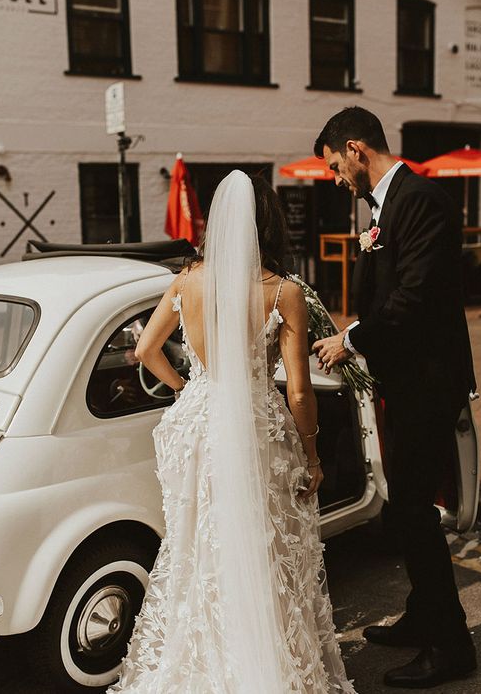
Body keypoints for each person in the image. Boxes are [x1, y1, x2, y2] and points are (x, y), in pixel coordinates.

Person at [109, 171, 356, 693]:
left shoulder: (185, 281)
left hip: (198, 422)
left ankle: (205, 662)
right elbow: (298, 392)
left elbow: (146, 352)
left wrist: (187, 388)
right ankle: (267, 663)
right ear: (270, 228)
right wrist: (313, 457)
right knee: (267, 552)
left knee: (202, 547)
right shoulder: (282, 292)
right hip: (257, 426)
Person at [312, 107, 477, 689]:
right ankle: (423, 615)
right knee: (404, 507)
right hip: (404, 380)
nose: (335, 179)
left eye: (335, 166)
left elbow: (411, 298)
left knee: (411, 509)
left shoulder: (421, 200)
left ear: (357, 149)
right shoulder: (383, 206)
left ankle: (450, 644)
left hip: (429, 382)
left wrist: (349, 340)